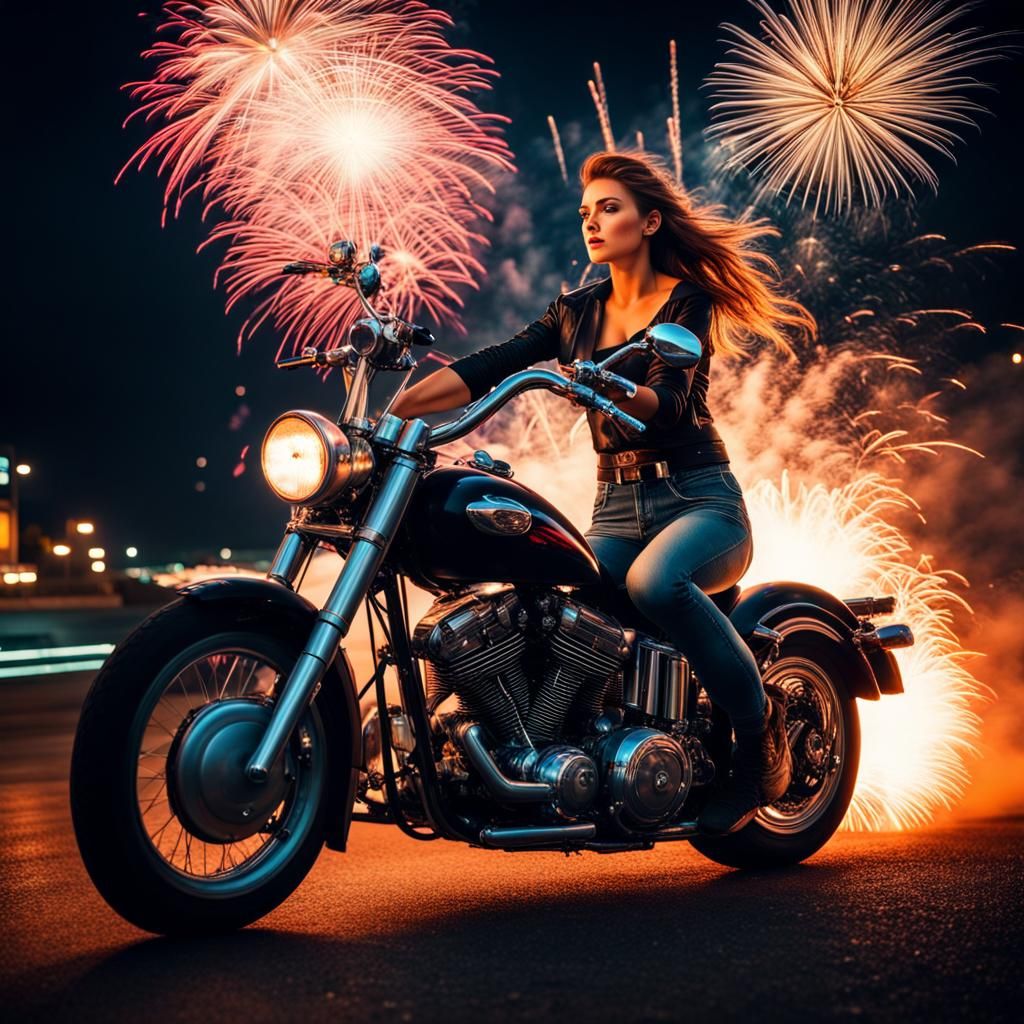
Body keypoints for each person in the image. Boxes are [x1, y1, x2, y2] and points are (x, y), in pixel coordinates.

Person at [389, 151, 816, 834]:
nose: (592, 222)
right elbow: (490, 365)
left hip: (698, 499)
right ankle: (574, 753)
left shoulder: (685, 302)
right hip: (615, 508)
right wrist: (397, 411)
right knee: (552, 610)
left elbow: (671, 401)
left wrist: (619, 387)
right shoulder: (575, 312)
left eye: (609, 208)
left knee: (654, 584)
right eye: (586, 212)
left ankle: (761, 739)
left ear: (649, 221)